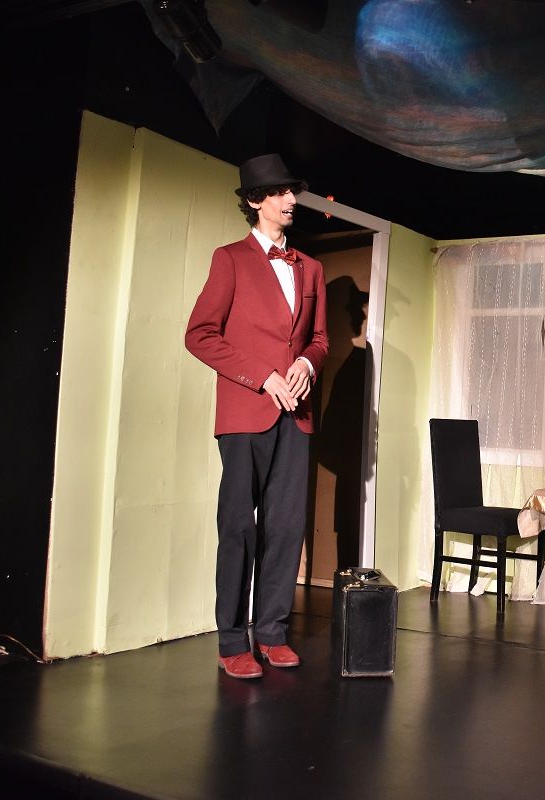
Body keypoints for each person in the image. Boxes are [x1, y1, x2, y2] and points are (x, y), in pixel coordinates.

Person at [186, 154, 329, 679]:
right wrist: (264, 377)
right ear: (254, 201)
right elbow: (199, 334)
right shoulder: (230, 259)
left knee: (286, 527)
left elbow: (319, 339)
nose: (291, 200)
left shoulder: (311, 267)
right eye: (280, 192)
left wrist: (305, 365)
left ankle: (271, 632)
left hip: (297, 415)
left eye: (292, 191)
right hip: (246, 413)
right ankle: (232, 640)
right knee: (238, 528)